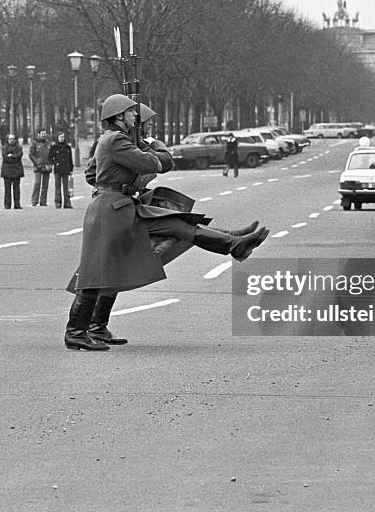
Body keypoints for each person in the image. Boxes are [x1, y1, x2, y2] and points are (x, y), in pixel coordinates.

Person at [64, 94, 269, 351]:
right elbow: (154, 163)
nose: (136, 118)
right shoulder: (115, 139)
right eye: (131, 113)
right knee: (97, 272)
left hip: (120, 207)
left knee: (175, 226)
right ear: (118, 116)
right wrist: (153, 148)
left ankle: (234, 243)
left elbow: (93, 174)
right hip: (111, 211)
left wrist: (122, 180)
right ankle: (76, 332)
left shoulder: (112, 140)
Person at [49, 132, 73, 209]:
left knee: (66, 187)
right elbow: (50, 157)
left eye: (63, 137)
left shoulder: (67, 147)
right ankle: (58, 203)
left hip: (66, 169)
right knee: (57, 187)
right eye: (60, 137)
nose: (62, 138)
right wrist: (55, 163)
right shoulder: (54, 147)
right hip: (58, 169)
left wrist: (71, 168)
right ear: (57, 138)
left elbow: (70, 159)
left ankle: (67, 203)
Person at [0, 133, 24, 209]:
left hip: (16, 170)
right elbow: (5, 157)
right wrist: (14, 157)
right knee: (7, 190)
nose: (11, 140)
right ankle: (7, 204)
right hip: (7, 171)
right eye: (9, 139)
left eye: (12, 139)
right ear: (7, 140)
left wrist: (11, 156)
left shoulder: (19, 147)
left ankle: (17, 204)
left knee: (17, 189)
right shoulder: (4, 148)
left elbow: (19, 156)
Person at [29, 129, 52, 206]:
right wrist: (36, 162)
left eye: (45, 134)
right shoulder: (34, 143)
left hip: (46, 166)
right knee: (37, 183)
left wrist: (50, 163)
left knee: (45, 185)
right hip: (38, 166)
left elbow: (51, 154)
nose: (44, 135)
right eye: (42, 134)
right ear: (38, 134)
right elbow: (31, 155)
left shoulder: (48, 143)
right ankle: (34, 200)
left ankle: (43, 201)